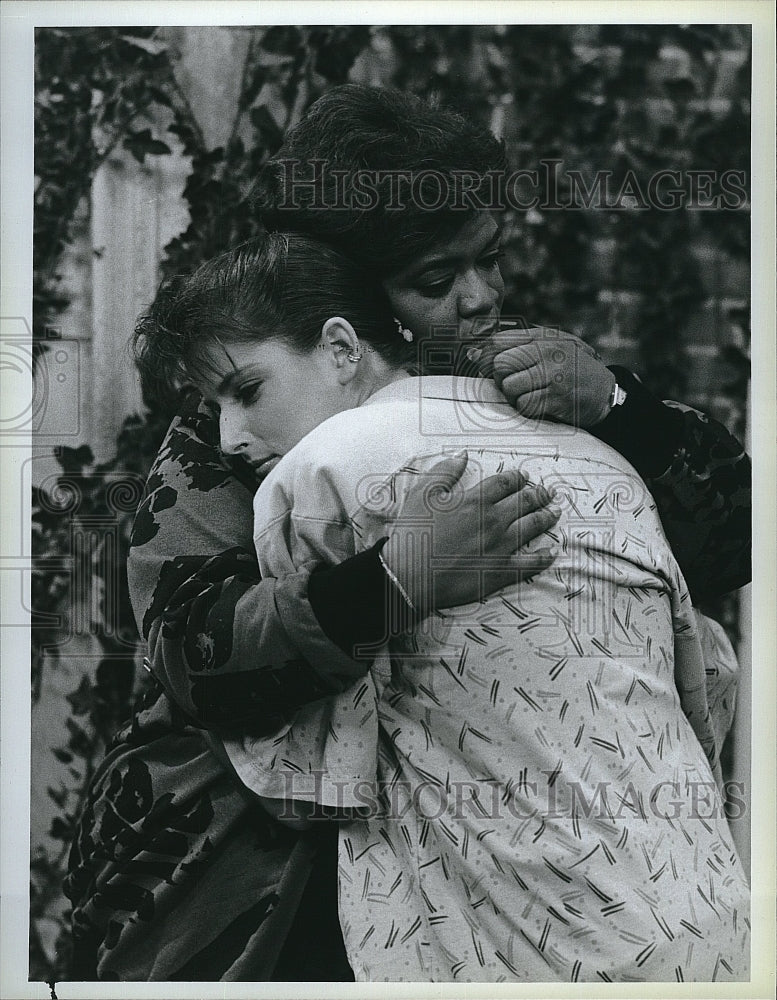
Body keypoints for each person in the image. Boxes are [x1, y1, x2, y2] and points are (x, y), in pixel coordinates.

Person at [65, 84, 750, 981]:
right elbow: (198, 660)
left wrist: (622, 410)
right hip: (272, 890)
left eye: (490, 260)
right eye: (435, 280)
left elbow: (727, 549)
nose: (478, 300)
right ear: (343, 306)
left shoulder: (531, 390)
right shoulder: (240, 439)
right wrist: (391, 583)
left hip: (520, 881)